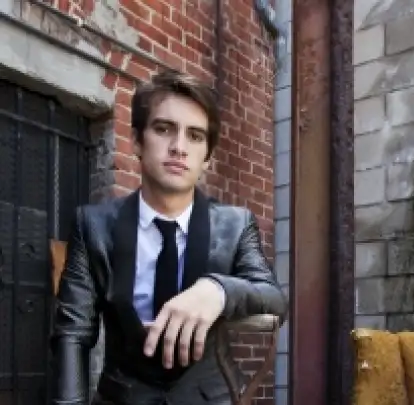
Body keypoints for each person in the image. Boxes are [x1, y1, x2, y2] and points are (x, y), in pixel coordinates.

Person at [50, 70, 287, 405]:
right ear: (137, 141)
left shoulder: (235, 224)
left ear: (207, 157)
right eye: (163, 129)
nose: (179, 147)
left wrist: (218, 290)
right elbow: (73, 331)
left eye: (195, 136)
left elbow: (274, 299)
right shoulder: (93, 226)